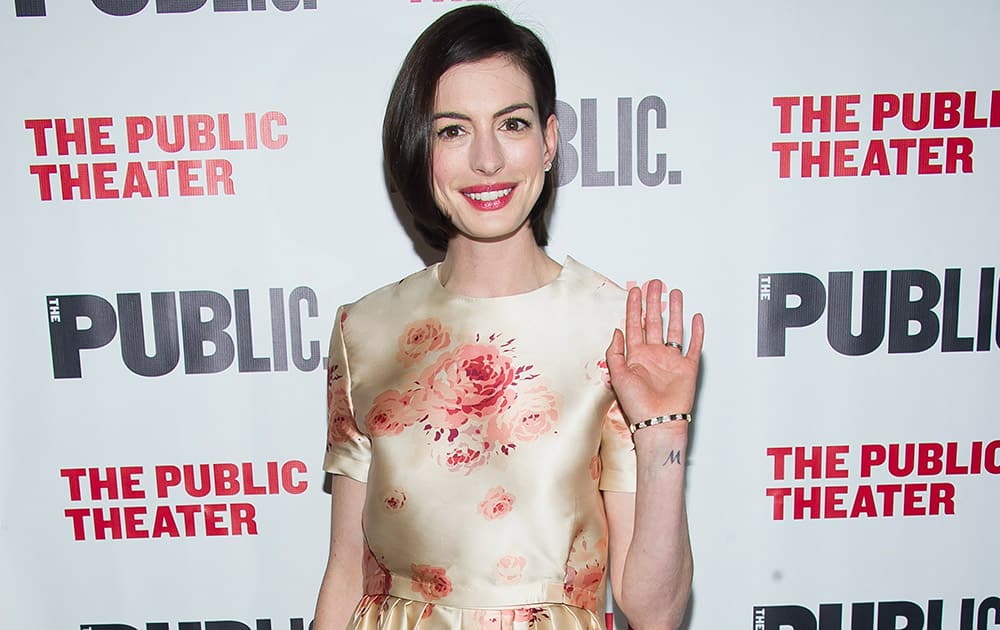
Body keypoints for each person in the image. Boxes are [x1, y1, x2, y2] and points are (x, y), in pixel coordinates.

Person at [313, 5, 704, 629]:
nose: (488, 161)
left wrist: (663, 434)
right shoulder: (362, 332)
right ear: (421, 150)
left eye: (512, 124)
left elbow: (654, 612)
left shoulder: (616, 331)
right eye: (452, 130)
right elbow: (343, 573)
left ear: (549, 141)